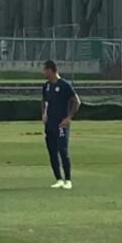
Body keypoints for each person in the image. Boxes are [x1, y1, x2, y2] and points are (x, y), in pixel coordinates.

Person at [41, 60, 81, 189]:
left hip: (61, 124)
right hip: (50, 124)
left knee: (63, 151)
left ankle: (68, 179)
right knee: (52, 151)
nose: (43, 73)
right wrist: (44, 114)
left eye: (44, 70)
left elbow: (76, 101)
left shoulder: (64, 85)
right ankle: (58, 179)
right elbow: (44, 101)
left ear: (51, 70)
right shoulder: (46, 86)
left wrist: (68, 118)